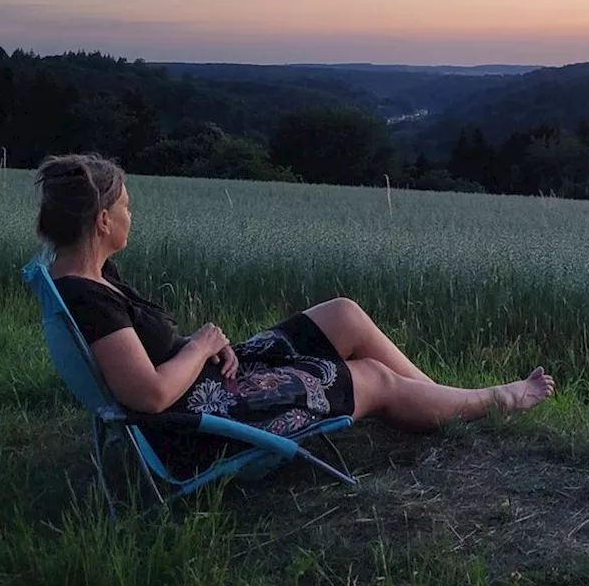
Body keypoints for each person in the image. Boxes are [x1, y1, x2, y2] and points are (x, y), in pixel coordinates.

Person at [36, 154, 554, 470]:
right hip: (199, 424)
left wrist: (208, 347)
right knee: (371, 377)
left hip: (210, 383)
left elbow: (143, 365)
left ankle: (443, 402)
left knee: (344, 315)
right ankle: (496, 399)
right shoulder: (90, 298)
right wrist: (200, 344)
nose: (132, 213)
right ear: (103, 221)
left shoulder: (85, 275)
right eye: (126, 206)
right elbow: (147, 395)